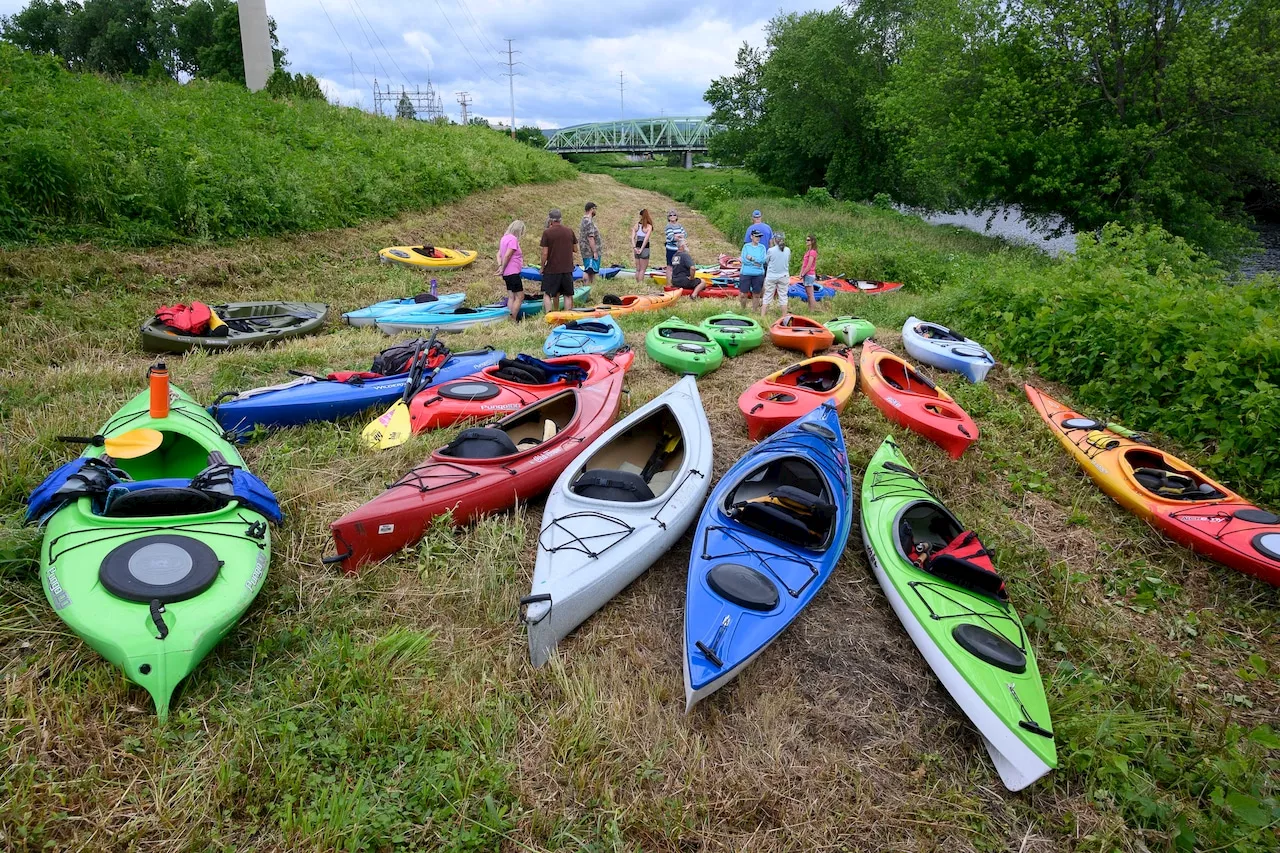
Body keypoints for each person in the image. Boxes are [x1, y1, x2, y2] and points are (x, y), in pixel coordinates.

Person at [540, 208, 579, 315]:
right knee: (567, 294)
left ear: (550, 220)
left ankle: (549, 314)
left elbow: (544, 253)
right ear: (560, 219)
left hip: (552, 269)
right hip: (567, 268)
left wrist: (542, 267)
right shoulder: (569, 231)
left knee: (547, 293)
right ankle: (567, 315)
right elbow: (575, 249)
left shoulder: (547, 233)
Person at [497, 219, 526, 321]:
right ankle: (513, 318)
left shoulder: (504, 238)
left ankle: (508, 318)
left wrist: (501, 267)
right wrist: (503, 267)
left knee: (511, 297)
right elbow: (508, 255)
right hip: (513, 272)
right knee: (520, 297)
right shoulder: (513, 239)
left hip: (507, 273)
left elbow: (499, 254)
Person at [762, 232, 791, 315]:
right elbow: (788, 260)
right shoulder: (787, 250)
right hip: (784, 275)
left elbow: (766, 261)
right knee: (783, 297)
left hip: (772, 275)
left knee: (767, 296)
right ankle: (784, 316)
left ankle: (763, 315)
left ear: (774, 239)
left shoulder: (771, 250)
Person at [739, 229, 767, 313]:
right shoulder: (746, 247)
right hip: (746, 273)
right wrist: (756, 263)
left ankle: (754, 311)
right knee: (743, 294)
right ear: (751, 237)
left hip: (758, 274)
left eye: (759, 237)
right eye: (756, 236)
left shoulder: (762, 247)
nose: (758, 238)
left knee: (757, 294)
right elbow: (744, 260)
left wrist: (752, 258)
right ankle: (743, 310)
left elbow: (762, 260)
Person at [579, 202, 603, 286]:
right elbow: (590, 237)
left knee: (592, 271)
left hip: (588, 250)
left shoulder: (586, 220)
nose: (595, 211)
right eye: (595, 209)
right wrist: (595, 251)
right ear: (592, 209)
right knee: (588, 269)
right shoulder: (588, 221)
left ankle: (591, 287)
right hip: (589, 251)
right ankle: (586, 286)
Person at [632, 209, 654, 283]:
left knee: (638, 269)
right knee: (642, 269)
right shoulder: (649, 226)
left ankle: (636, 283)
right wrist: (641, 249)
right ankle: (640, 284)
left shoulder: (637, 225)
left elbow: (632, 238)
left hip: (637, 247)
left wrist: (635, 247)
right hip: (645, 248)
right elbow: (646, 239)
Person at [800, 234, 818, 311]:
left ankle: (812, 310)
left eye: (808, 240)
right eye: (806, 240)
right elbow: (804, 264)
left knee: (810, 294)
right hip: (806, 274)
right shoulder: (809, 251)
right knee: (808, 293)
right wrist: (801, 272)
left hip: (809, 274)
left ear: (812, 241)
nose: (806, 241)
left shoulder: (812, 252)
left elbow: (809, 265)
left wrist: (803, 273)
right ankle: (810, 308)